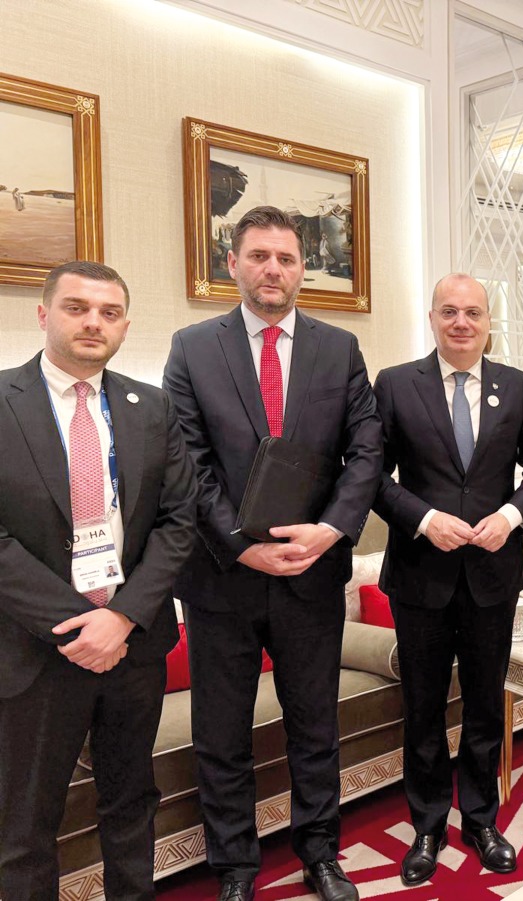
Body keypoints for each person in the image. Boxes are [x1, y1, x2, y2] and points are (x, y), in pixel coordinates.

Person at [163, 206, 382, 901]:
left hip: (312, 575)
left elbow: (366, 451)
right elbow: (185, 461)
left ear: (300, 270)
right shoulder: (192, 347)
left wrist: (331, 530)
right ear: (233, 263)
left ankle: (320, 851)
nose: (273, 270)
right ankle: (235, 866)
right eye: (259, 256)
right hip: (222, 581)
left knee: (314, 723)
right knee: (221, 731)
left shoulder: (339, 348)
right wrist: (240, 546)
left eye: (286, 259)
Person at [0, 261, 196, 900]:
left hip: (131, 645)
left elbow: (177, 522)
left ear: (124, 326)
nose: (93, 322)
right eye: (77, 308)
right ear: (43, 315)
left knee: (131, 802)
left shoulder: (153, 407)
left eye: (109, 313)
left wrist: (120, 618)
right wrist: (77, 624)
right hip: (35, 651)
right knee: (25, 823)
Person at [372, 273, 523, 887]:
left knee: (483, 705)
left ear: (487, 321)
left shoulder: (519, 386)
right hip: (421, 576)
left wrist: (510, 516)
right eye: (449, 312)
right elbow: (372, 476)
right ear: (432, 318)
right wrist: (424, 519)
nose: (461, 323)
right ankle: (426, 824)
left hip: (492, 575)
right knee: (423, 709)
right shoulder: (396, 385)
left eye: (473, 313)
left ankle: (480, 819)